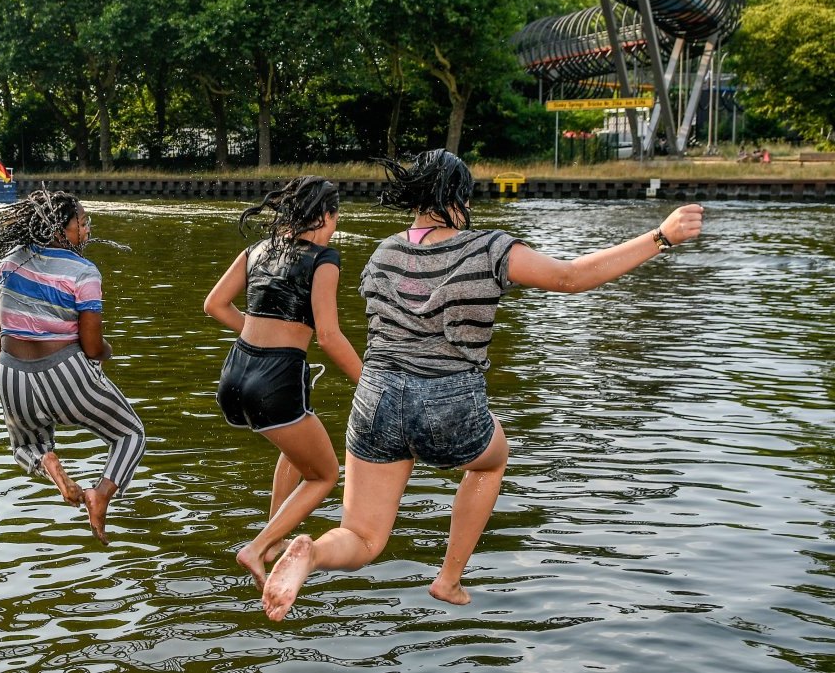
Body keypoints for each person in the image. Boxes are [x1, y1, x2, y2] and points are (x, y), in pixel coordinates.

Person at [261, 150, 705, 620]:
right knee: (492, 461)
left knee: (364, 537)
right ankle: (449, 579)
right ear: (458, 196)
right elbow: (571, 278)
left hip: (376, 399)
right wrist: (662, 236)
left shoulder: (384, 251)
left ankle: (311, 551)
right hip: (448, 402)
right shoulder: (489, 248)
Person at [0, 189, 145, 545]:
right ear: (58, 230)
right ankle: (101, 495)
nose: (88, 229)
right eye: (82, 222)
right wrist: (107, 351)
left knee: (25, 445)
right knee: (130, 435)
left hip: (10, 373)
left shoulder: (9, 261)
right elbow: (92, 347)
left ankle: (51, 464)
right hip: (65, 373)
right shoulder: (83, 271)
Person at [204, 176, 363, 588]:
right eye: (335, 216)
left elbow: (214, 304)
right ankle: (257, 547)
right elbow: (328, 336)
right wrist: (370, 382)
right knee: (325, 475)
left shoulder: (256, 250)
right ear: (327, 215)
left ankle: (272, 541)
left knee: (295, 448)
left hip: (234, 376)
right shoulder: (324, 258)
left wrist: (256, 332)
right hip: (275, 380)